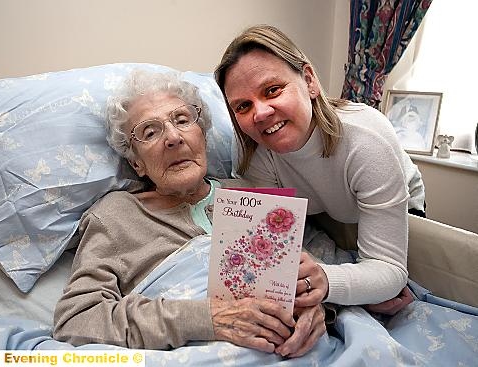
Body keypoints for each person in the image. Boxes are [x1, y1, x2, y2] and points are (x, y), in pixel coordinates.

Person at [53, 69, 326, 358]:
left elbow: (316, 270)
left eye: (182, 120)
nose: (173, 137)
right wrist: (206, 318)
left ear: (203, 137)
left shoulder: (251, 192)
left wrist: (318, 309)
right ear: (137, 164)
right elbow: (77, 320)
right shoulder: (115, 216)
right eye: (150, 132)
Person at [214, 25, 426, 315]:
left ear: (309, 81)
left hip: (402, 200)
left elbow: (389, 269)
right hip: (330, 209)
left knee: (396, 290)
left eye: (272, 90)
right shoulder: (256, 154)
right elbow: (269, 247)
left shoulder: (366, 144)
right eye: (243, 106)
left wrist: (328, 281)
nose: (260, 113)